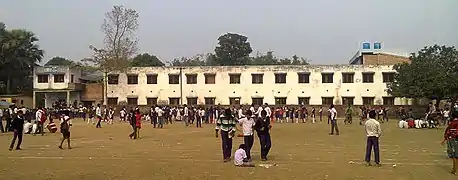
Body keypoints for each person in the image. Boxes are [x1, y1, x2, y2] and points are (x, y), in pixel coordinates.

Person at [442, 110, 458, 174]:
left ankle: (454, 170)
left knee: (455, 155)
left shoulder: (453, 122)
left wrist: (446, 138)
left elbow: (449, 131)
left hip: (454, 139)